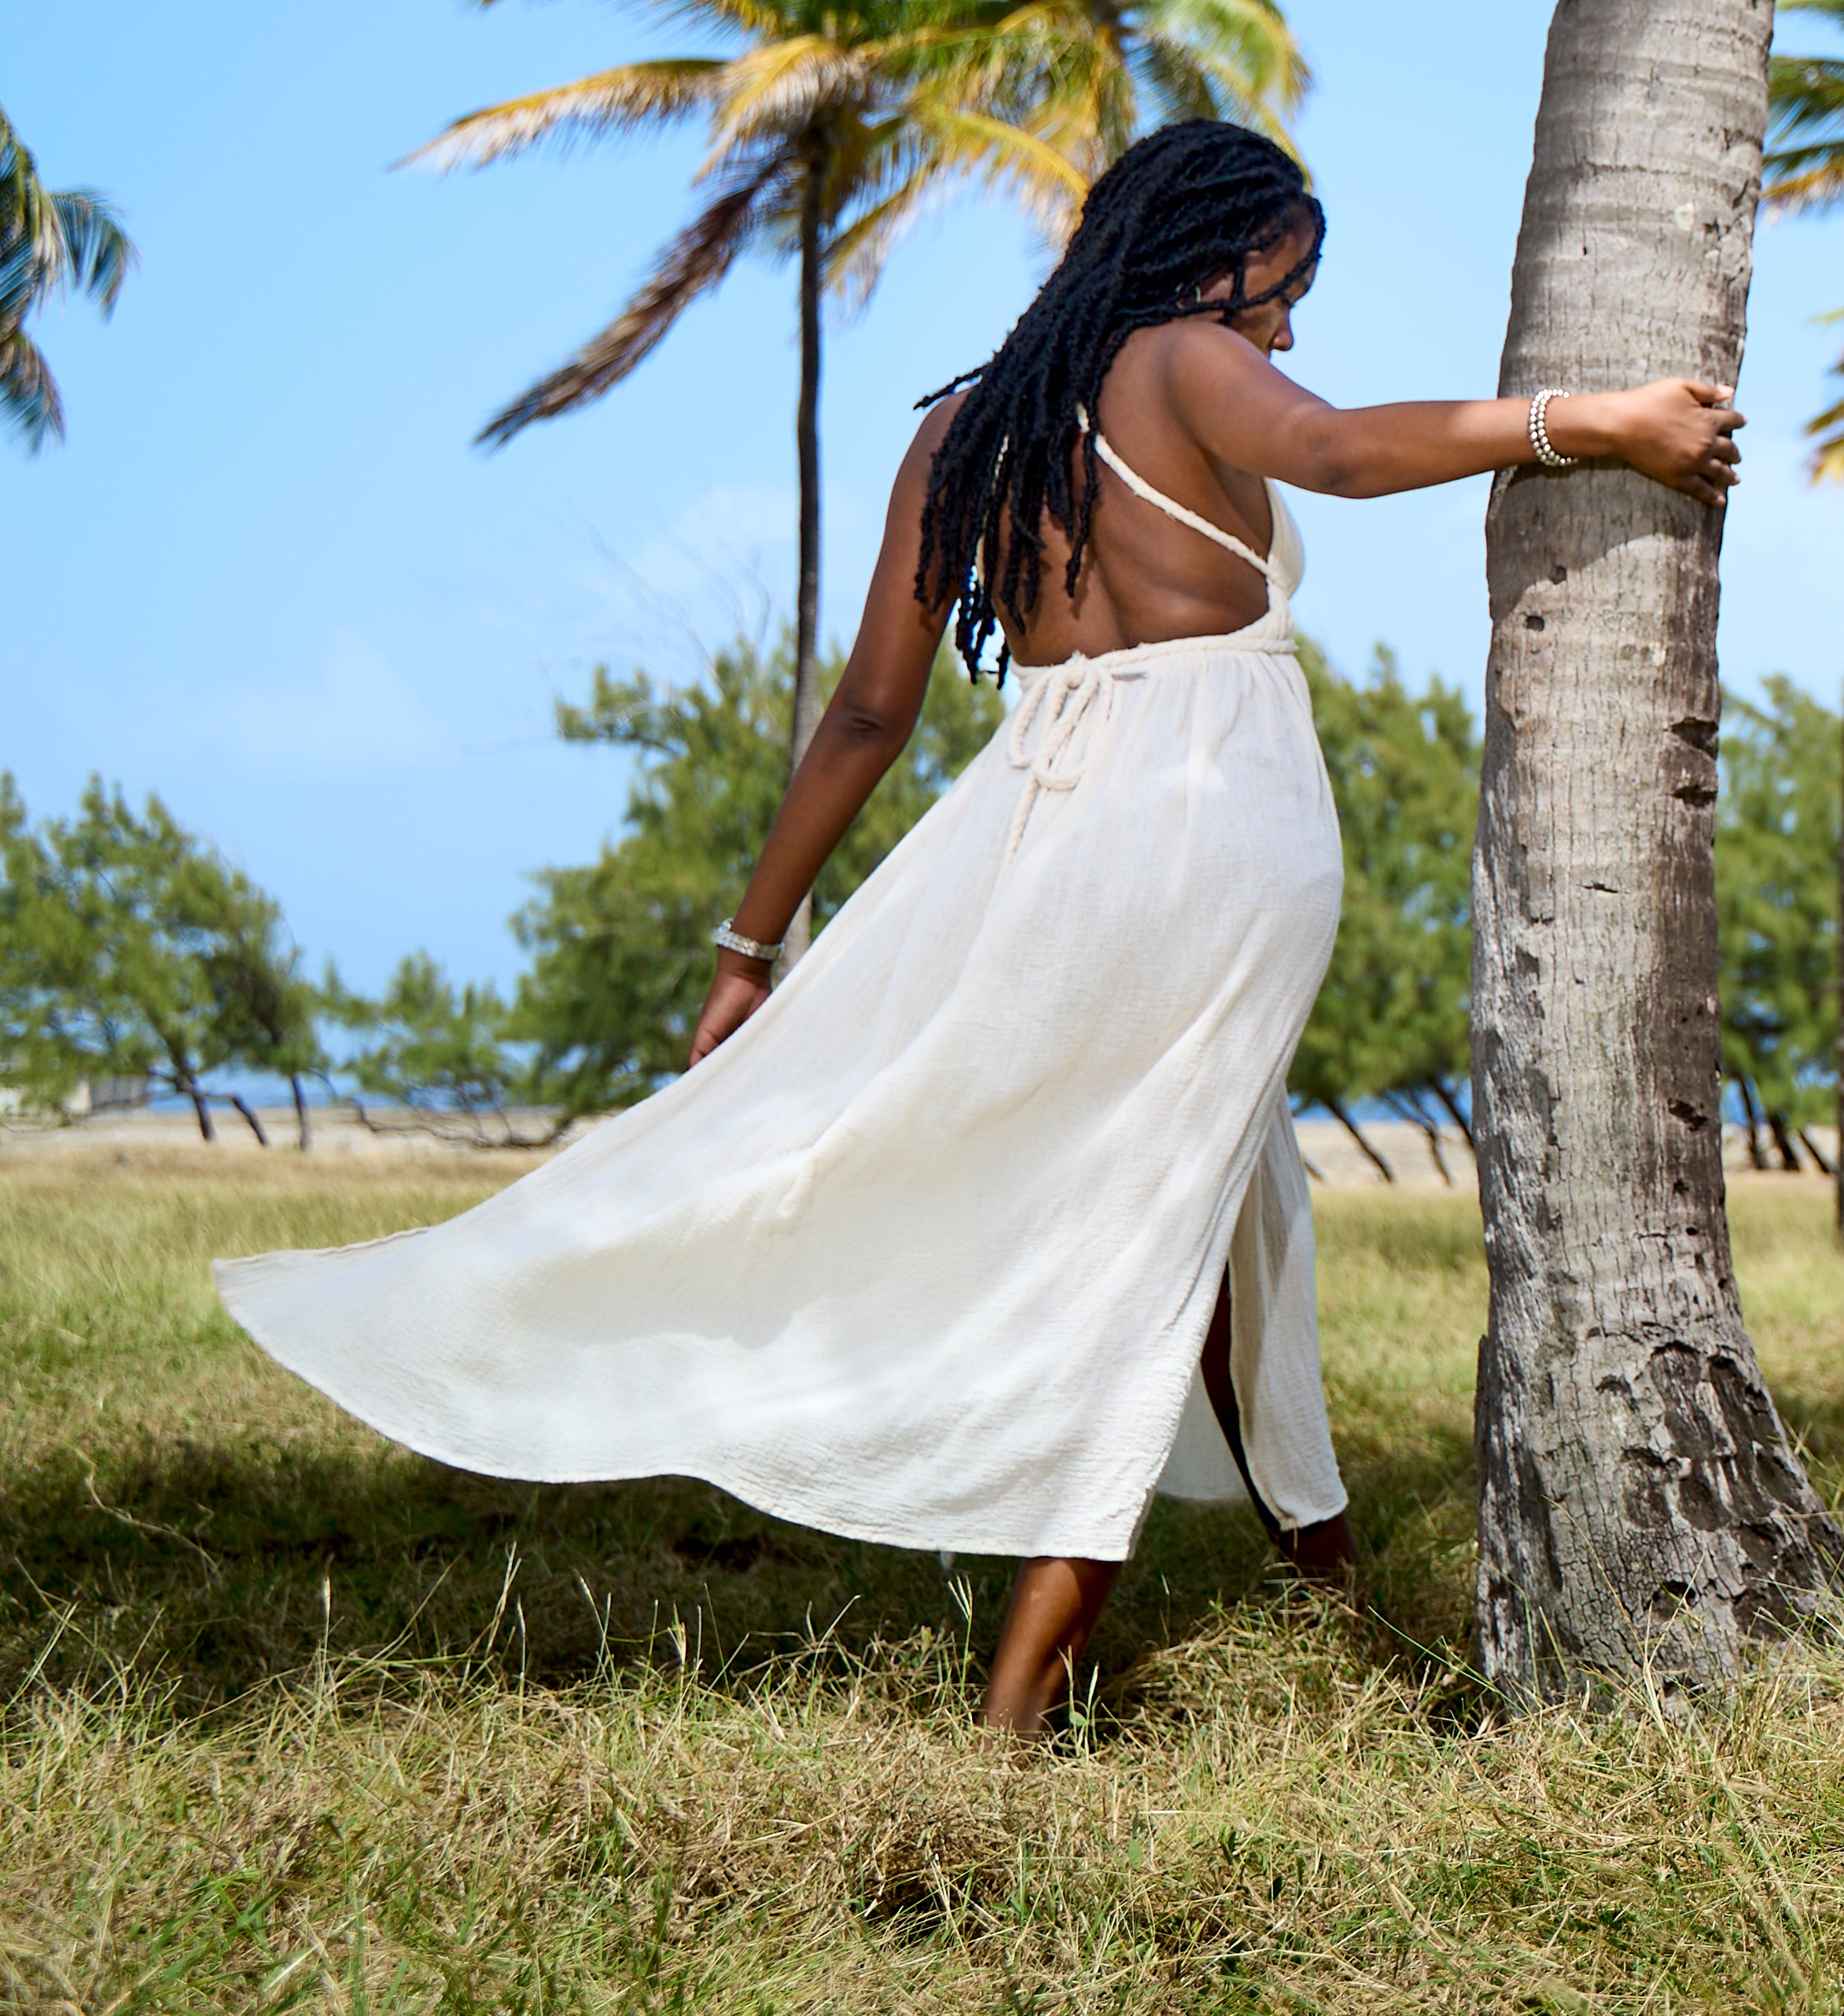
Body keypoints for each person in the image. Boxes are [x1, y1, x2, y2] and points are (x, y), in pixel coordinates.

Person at [218, 122, 1743, 1735]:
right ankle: (1020, 1709)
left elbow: (871, 710)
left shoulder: (963, 429)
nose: (1287, 324)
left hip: (1038, 814)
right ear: (1212, 260)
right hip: (1205, 821)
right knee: (1154, 1223)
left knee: (1226, 1194)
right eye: (1283, 286)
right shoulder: (1186, 356)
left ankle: (1326, 1574)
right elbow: (1347, 454)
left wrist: (751, 949)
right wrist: (1605, 425)